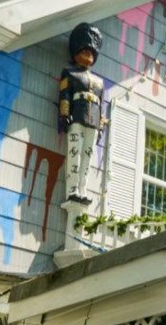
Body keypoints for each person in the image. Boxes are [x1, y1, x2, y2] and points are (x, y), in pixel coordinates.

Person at [59, 22, 104, 208]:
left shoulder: (99, 82)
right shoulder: (69, 73)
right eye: (85, 51)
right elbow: (64, 94)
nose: (88, 55)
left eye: (92, 52)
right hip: (76, 116)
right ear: (76, 52)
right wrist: (64, 113)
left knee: (88, 155)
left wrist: (100, 125)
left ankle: (83, 188)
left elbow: (101, 105)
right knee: (74, 153)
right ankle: (72, 190)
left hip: (92, 119)